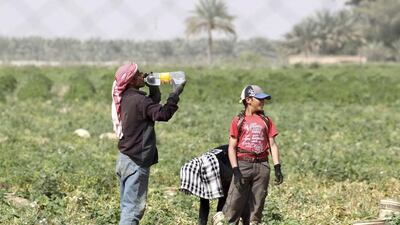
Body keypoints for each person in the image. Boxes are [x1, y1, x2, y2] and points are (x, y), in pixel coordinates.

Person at [111, 62, 186, 225]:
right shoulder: (139, 100)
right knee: (132, 211)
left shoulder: (127, 98)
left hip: (124, 158)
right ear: (131, 80)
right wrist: (175, 93)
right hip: (136, 161)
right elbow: (163, 114)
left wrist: (154, 87)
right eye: (138, 74)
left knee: (127, 207)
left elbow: (149, 107)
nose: (142, 74)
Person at [222, 85, 283, 225]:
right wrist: (235, 169)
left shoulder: (266, 120)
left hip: (262, 165)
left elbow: (272, 145)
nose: (263, 102)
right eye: (259, 99)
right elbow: (232, 147)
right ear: (248, 100)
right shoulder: (238, 120)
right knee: (234, 203)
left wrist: (277, 167)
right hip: (243, 163)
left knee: (258, 203)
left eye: (264, 99)